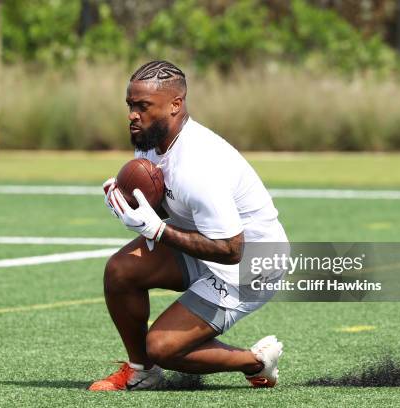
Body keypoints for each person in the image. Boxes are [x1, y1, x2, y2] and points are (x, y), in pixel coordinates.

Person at [88, 60, 288, 391]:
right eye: (130, 105)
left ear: (176, 105)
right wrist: (129, 204)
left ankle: (256, 362)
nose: (132, 115)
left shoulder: (196, 166)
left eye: (143, 106)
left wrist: (158, 230)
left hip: (250, 267)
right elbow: (171, 200)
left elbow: (231, 250)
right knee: (121, 271)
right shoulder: (154, 142)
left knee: (163, 347)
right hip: (204, 242)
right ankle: (142, 371)